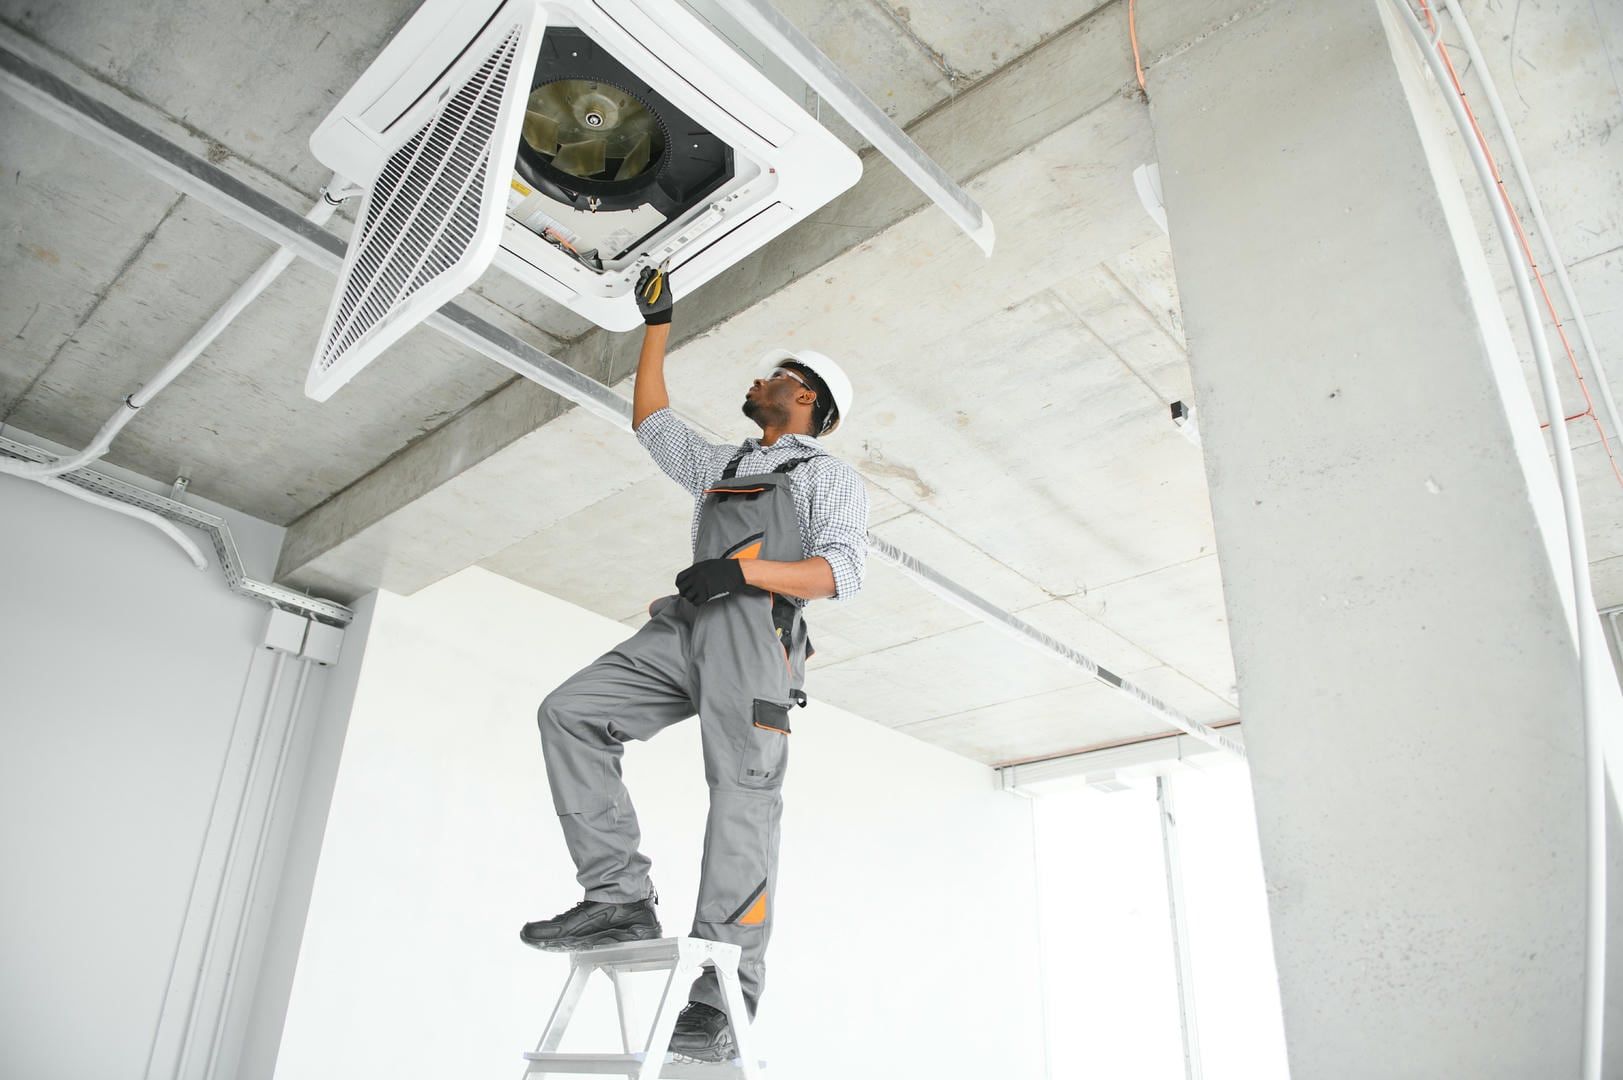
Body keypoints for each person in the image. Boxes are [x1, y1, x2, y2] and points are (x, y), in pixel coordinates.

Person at [522, 265, 870, 1062]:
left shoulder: (827, 477)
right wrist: (657, 328)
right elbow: (652, 423)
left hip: (755, 636)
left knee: (742, 799)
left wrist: (740, 574)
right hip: (688, 627)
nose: (757, 380)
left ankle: (722, 994)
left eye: (773, 375)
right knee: (570, 712)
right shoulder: (724, 464)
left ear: (806, 398)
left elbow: (841, 572)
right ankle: (617, 897)